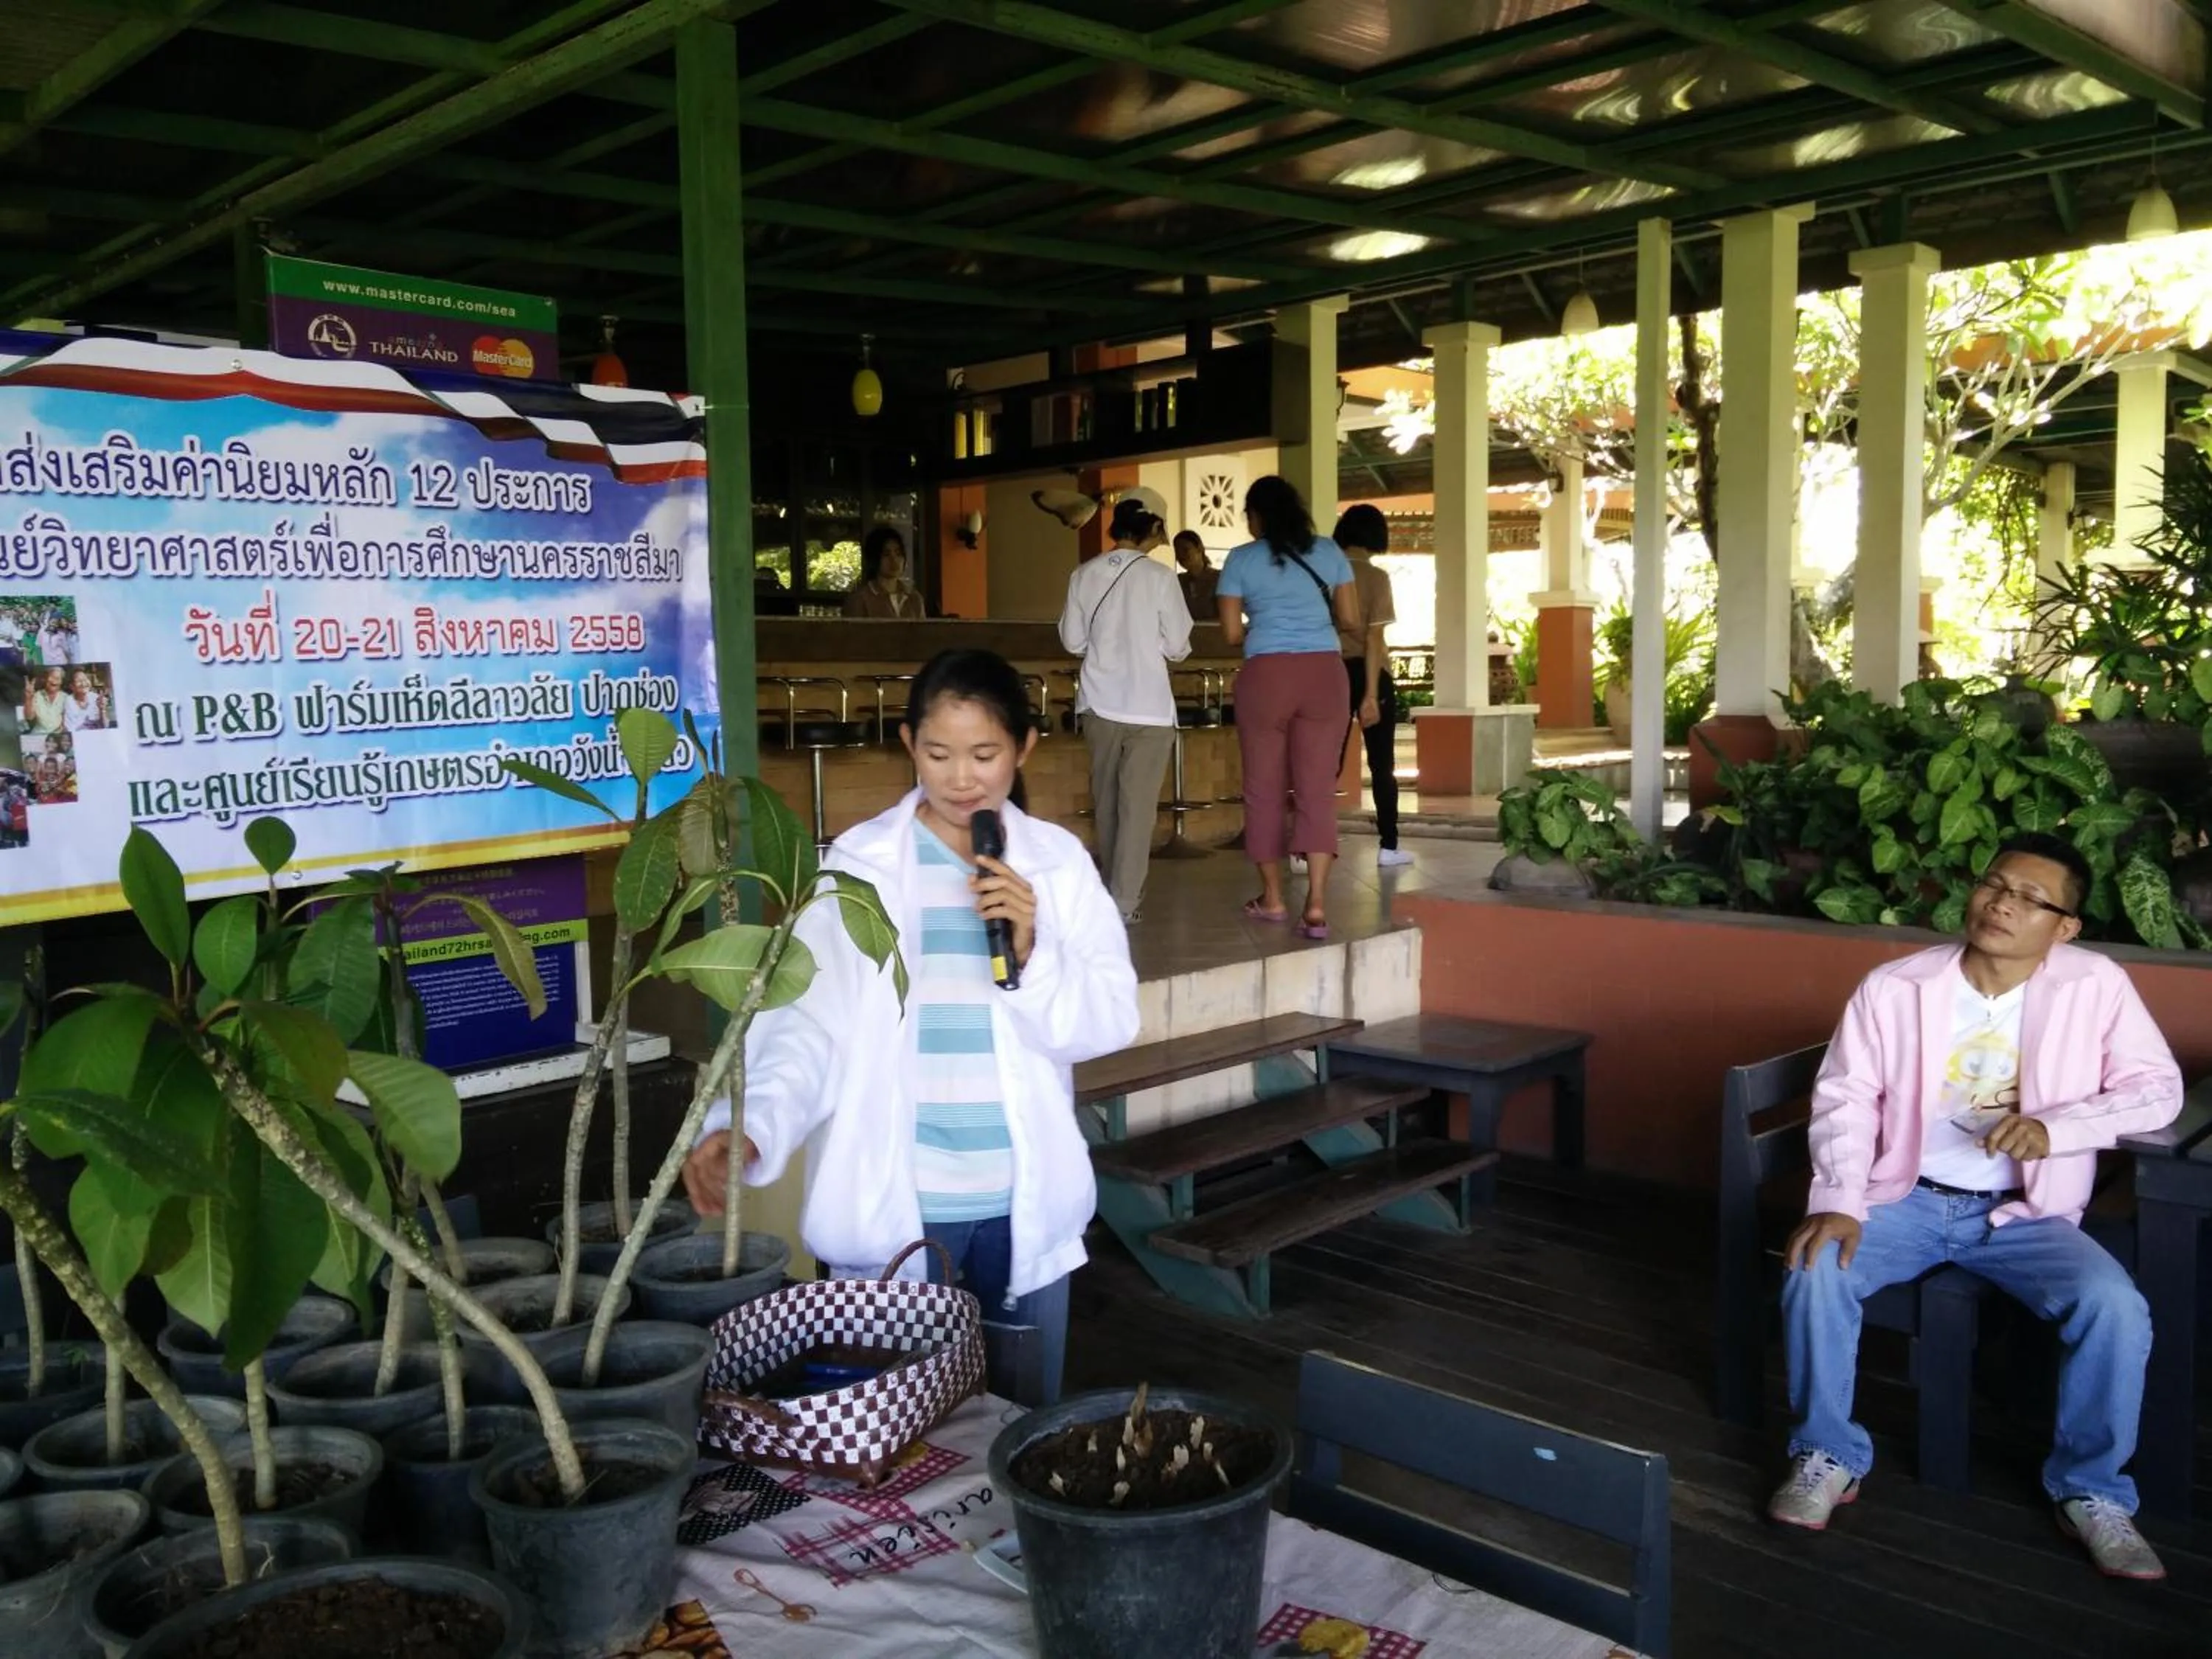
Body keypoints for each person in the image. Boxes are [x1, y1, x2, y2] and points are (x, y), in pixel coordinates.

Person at [679, 648, 1138, 1405]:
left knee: (1019, 1431)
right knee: (892, 1433)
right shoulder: (861, 866)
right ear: (907, 745)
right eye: (939, 753)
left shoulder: (1056, 864)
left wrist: (1033, 953)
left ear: (1025, 748)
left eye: (986, 754)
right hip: (899, 1205)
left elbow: (1107, 1018)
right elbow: (806, 1024)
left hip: (1019, 1204)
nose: (963, 777)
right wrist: (755, 1121)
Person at [1769, 833, 2180, 1580]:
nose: (2002, 903)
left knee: (2115, 1307)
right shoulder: (1898, 987)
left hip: (2027, 1215)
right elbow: (1846, 1097)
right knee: (1815, 1266)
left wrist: (2058, 1128)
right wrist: (1840, 1199)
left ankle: (2091, 1491)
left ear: (2064, 929)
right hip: (1905, 1199)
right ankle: (1826, 1453)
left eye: (2030, 898)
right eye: (1995, 884)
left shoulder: (2096, 985)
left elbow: (2158, 1089)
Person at [1217, 475, 1360, 939]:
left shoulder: (1240, 559)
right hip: (1324, 675)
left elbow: (1232, 635)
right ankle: (1316, 906)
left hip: (1266, 676)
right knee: (1318, 790)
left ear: (1256, 515)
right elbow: (1352, 618)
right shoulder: (1330, 552)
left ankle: (1274, 899)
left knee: (1264, 789)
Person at [1057, 498, 1192, 923]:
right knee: (1138, 809)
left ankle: (1114, 895)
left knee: (1108, 802)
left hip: (1099, 703)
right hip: (1148, 708)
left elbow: (1073, 642)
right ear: (1151, 528)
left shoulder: (1084, 574)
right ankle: (1124, 902)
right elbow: (1178, 647)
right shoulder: (1161, 578)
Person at [1331, 504, 1409, 869]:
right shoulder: (1377, 578)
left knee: (1325, 763)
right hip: (1371, 673)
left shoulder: (1326, 575)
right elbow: (1375, 637)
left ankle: (1308, 847)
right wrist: (1371, 694)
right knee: (1382, 765)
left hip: (1331, 673)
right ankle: (1389, 846)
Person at [842, 526, 925, 619]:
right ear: (874, 559)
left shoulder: (914, 598)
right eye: (886, 554)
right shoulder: (860, 599)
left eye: (898, 554)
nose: (894, 560)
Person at [1172, 531, 1217, 622]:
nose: (1181, 556)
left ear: (1199, 548)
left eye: (1185, 550)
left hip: (1215, 634)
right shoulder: (1177, 581)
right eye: (1177, 552)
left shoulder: (1220, 579)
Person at [61, 668, 108, 732]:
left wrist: (102, 710)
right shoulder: (68, 701)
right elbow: (70, 729)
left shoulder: (96, 698)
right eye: (79, 681)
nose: (84, 683)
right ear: (72, 686)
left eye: (86, 679)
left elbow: (105, 727)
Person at [24, 667, 65, 736]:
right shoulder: (37, 695)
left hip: (57, 736)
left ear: (61, 682)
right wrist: (29, 698)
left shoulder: (66, 698)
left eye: (58, 678)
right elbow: (29, 717)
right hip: (38, 734)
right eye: (52, 677)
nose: (54, 681)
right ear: (45, 679)